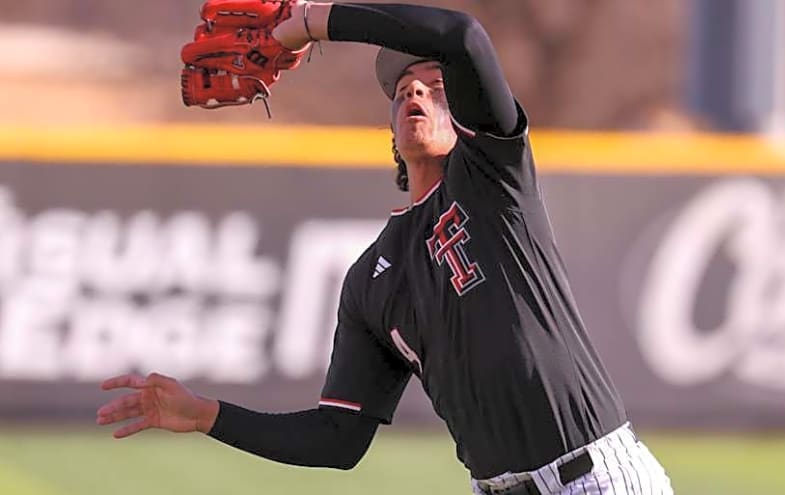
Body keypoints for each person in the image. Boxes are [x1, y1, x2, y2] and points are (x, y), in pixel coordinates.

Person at [97, 2, 674, 494]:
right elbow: (338, 439)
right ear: (392, 134)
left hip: (596, 480)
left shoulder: (494, 181)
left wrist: (308, 22)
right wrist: (206, 416)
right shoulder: (370, 280)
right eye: (403, 91)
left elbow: (461, 36)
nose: (416, 91)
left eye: (436, 88)